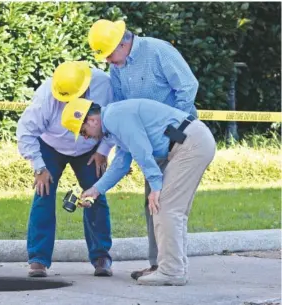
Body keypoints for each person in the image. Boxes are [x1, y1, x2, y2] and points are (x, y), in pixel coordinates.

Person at [88, 19, 200, 279]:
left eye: (108, 54)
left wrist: (173, 131)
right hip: (150, 145)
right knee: (154, 204)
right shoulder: (118, 69)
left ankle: (171, 269)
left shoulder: (157, 51)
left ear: (122, 43)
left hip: (178, 141)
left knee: (166, 205)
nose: (107, 62)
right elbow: (124, 118)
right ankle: (158, 265)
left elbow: (187, 87)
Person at [61, 98, 216, 285]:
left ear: (92, 120)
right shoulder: (113, 123)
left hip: (190, 145)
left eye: (83, 132)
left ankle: (171, 271)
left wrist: (155, 186)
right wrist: (95, 190)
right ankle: (174, 268)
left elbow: (141, 149)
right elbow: (121, 162)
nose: (86, 137)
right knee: (171, 211)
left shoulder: (115, 117)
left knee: (165, 208)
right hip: (189, 142)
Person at [16, 61, 115, 277]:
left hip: (90, 149)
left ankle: (101, 257)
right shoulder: (46, 95)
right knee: (44, 194)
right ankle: (38, 259)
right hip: (51, 146)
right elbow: (25, 131)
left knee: (95, 195)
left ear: (85, 89)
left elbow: (115, 119)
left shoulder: (104, 86)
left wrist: (103, 150)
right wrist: (39, 167)